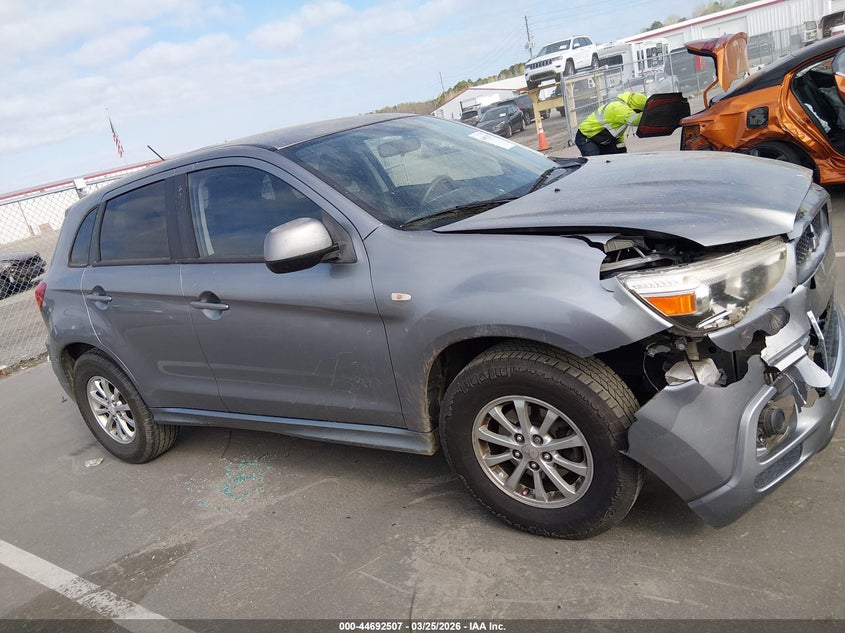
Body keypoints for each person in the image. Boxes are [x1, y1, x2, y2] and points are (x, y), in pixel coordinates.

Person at [575, 91, 647, 156]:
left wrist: (622, 150)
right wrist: (652, 116)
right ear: (635, 107)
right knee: (595, 164)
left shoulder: (623, 109)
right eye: (638, 111)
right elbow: (636, 120)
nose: (637, 113)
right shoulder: (618, 107)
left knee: (614, 160)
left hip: (603, 139)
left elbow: (618, 134)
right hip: (587, 138)